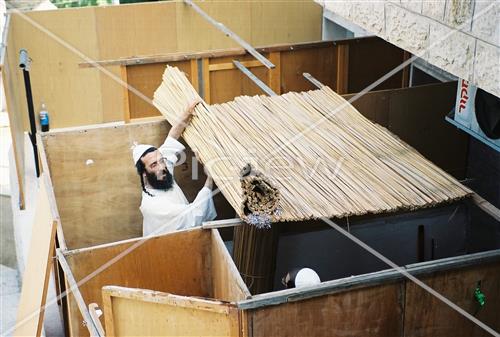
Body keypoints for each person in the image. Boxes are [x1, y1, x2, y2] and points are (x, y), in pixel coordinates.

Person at [132, 99, 216, 236]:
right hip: (170, 249)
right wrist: (210, 179)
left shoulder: (160, 173)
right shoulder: (154, 206)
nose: (162, 166)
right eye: (154, 164)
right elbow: (195, 215)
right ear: (144, 174)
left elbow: (172, 137)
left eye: (162, 160)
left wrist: (188, 112)